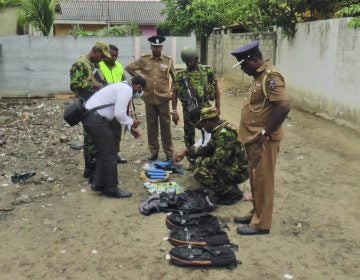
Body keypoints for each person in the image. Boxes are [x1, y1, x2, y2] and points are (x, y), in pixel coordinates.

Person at [231, 41, 290, 235]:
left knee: (264, 181)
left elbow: (283, 106)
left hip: (263, 140)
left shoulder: (270, 77)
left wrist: (266, 133)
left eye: (243, 65)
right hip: (253, 138)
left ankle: (261, 224)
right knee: (255, 179)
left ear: (253, 60)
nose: (242, 69)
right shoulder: (258, 76)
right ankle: (256, 212)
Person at [82, 75, 146, 198]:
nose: (138, 93)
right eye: (140, 90)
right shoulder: (126, 89)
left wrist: (130, 127)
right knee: (110, 153)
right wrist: (132, 122)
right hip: (95, 118)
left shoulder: (122, 86)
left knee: (103, 152)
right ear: (138, 86)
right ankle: (111, 189)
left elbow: (118, 114)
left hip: (91, 117)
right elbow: (119, 113)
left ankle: (98, 184)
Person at [173, 107, 249, 205]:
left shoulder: (224, 134)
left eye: (202, 125)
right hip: (232, 164)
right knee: (198, 161)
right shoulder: (219, 128)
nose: (203, 128)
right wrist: (187, 151)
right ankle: (227, 185)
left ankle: (231, 192)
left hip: (239, 171)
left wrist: (199, 162)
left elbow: (218, 162)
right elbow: (208, 149)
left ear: (207, 121)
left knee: (199, 173)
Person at [125, 35, 175, 162]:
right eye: (155, 47)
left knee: (166, 127)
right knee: (151, 127)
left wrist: (171, 91)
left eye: (159, 47)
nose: (157, 49)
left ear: (162, 47)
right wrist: (141, 80)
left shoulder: (168, 61)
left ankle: (169, 153)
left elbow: (175, 78)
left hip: (163, 99)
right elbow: (129, 68)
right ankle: (154, 152)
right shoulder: (144, 60)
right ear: (151, 47)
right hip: (149, 98)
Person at [69, 41, 110, 182]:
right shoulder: (80, 64)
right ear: (95, 51)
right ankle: (91, 171)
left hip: (96, 106)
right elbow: (74, 85)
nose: (103, 58)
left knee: (95, 138)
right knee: (91, 140)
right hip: (87, 107)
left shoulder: (95, 65)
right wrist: (94, 85)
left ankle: (92, 170)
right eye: (102, 55)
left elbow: (101, 82)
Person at [172, 46, 221, 150]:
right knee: (189, 135)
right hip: (189, 109)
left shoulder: (208, 71)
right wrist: (174, 111)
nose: (188, 64)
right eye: (186, 62)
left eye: (190, 61)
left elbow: (216, 88)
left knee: (211, 132)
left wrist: (217, 106)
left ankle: (209, 153)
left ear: (196, 59)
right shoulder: (181, 75)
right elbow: (174, 93)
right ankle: (191, 156)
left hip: (205, 107)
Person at [99, 44, 128, 164]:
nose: (114, 58)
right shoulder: (98, 65)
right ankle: (103, 157)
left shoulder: (119, 67)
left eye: (116, 56)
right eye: (112, 55)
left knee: (116, 130)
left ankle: (115, 155)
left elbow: (124, 83)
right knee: (103, 132)